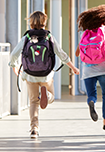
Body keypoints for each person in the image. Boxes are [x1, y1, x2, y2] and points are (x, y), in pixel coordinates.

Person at [9, 11, 80, 139]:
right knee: (51, 97)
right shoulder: (49, 37)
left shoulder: (27, 37)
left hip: (30, 74)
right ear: (44, 22)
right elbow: (61, 53)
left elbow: (14, 54)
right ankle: (46, 95)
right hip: (46, 75)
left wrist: (14, 66)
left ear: (31, 22)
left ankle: (34, 129)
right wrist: (73, 67)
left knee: (33, 102)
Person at [76, 5, 105, 130]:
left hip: (87, 70)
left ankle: (91, 101)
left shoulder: (85, 35)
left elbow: (77, 53)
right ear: (104, 20)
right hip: (103, 69)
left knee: (92, 94)